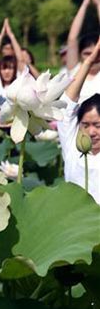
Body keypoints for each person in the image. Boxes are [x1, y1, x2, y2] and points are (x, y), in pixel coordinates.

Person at [59, 39, 100, 204]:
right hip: (74, 224)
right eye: (85, 125)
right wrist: (88, 62)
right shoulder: (71, 145)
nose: (91, 132)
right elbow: (66, 105)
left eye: (98, 126)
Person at [0, 18, 25, 140]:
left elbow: (21, 60)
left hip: (14, 129)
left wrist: (11, 35)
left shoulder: (18, 81)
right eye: (4, 68)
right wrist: (1, 36)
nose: (7, 71)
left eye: (10, 68)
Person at [65, 0, 100, 100]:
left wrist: (98, 3)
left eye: (97, 53)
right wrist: (85, 3)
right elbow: (72, 39)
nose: (94, 57)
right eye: (87, 53)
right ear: (79, 55)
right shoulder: (75, 70)